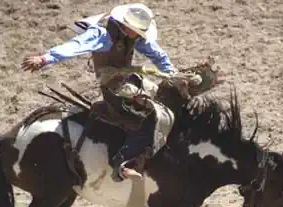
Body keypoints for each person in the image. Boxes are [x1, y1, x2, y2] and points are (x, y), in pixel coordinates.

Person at [22, 3, 177, 182]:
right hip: (113, 87)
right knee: (150, 115)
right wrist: (44, 58)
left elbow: (157, 54)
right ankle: (123, 163)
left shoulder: (132, 36)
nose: (141, 37)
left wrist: (173, 72)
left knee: (162, 100)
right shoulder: (103, 35)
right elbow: (75, 46)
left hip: (128, 81)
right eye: (139, 32)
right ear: (127, 26)